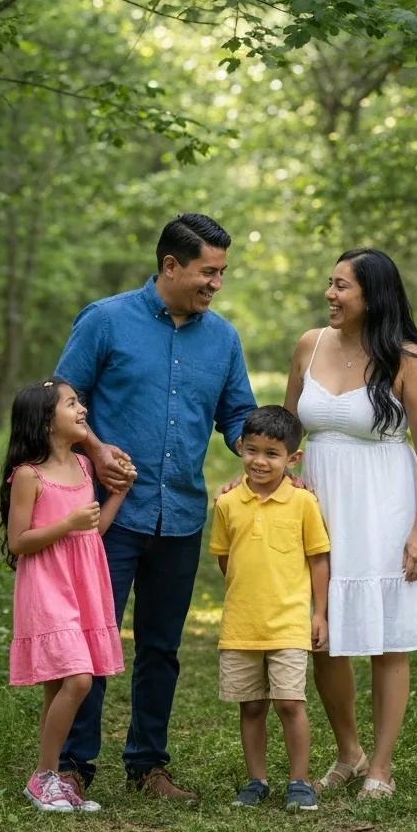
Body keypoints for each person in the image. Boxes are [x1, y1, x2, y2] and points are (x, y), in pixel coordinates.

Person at [54, 213, 257, 801]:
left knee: (161, 648)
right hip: (106, 517)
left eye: (222, 272)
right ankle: (72, 766)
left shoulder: (223, 338)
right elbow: (60, 399)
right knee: (94, 639)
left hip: (181, 516)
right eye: (207, 271)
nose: (216, 283)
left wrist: (261, 453)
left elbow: (236, 416)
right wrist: (94, 447)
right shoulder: (106, 320)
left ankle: (148, 766)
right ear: (171, 265)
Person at [283, 247, 417, 800]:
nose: (330, 295)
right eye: (329, 284)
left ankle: (381, 766)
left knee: (385, 641)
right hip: (319, 506)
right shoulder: (309, 345)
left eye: (342, 287)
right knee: (323, 637)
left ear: (372, 296)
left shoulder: (408, 359)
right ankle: (349, 750)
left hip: (384, 507)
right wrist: (264, 483)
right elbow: (287, 436)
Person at [0, 378, 136, 813]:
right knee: (78, 679)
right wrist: (67, 524)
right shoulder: (27, 475)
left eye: (79, 402)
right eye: (71, 404)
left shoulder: (82, 466)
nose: (82, 410)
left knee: (59, 685)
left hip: (83, 585)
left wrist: (118, 495)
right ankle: (43, 777)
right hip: (47, 587)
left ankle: (50, 777)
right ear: (45, 420)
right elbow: (19, 542)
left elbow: (93, 529)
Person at [209, 406, 331, 813]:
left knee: (290, 703)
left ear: (292, 459)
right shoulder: (227, 505)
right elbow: (226, 559)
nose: (260, 461)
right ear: (240, 447)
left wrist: (319, 614)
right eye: (253, 450)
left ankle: (300, 781)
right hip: (242, 624)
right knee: (252, 704)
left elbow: (318, 559)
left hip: (288, 622)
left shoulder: (303, 503)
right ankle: (256, 780)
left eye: (272, 454)